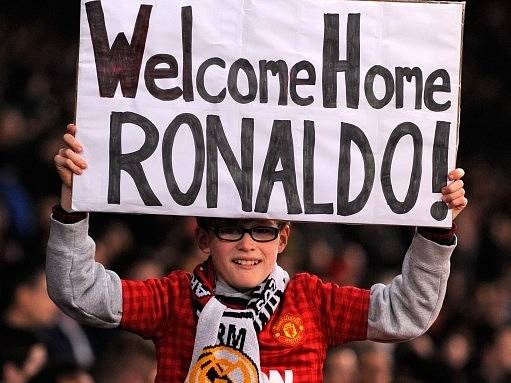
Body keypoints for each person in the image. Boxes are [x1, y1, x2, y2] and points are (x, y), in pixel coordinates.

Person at [47, 123, 468, 383]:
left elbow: (407, 313)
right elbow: (78, 291)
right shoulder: (173, 300)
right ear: (204, 240)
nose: (247, 244)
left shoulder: (313, 302)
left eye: (262, 232)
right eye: (231, 230)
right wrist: (72, 203)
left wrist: (434, 229)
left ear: (283, 239)